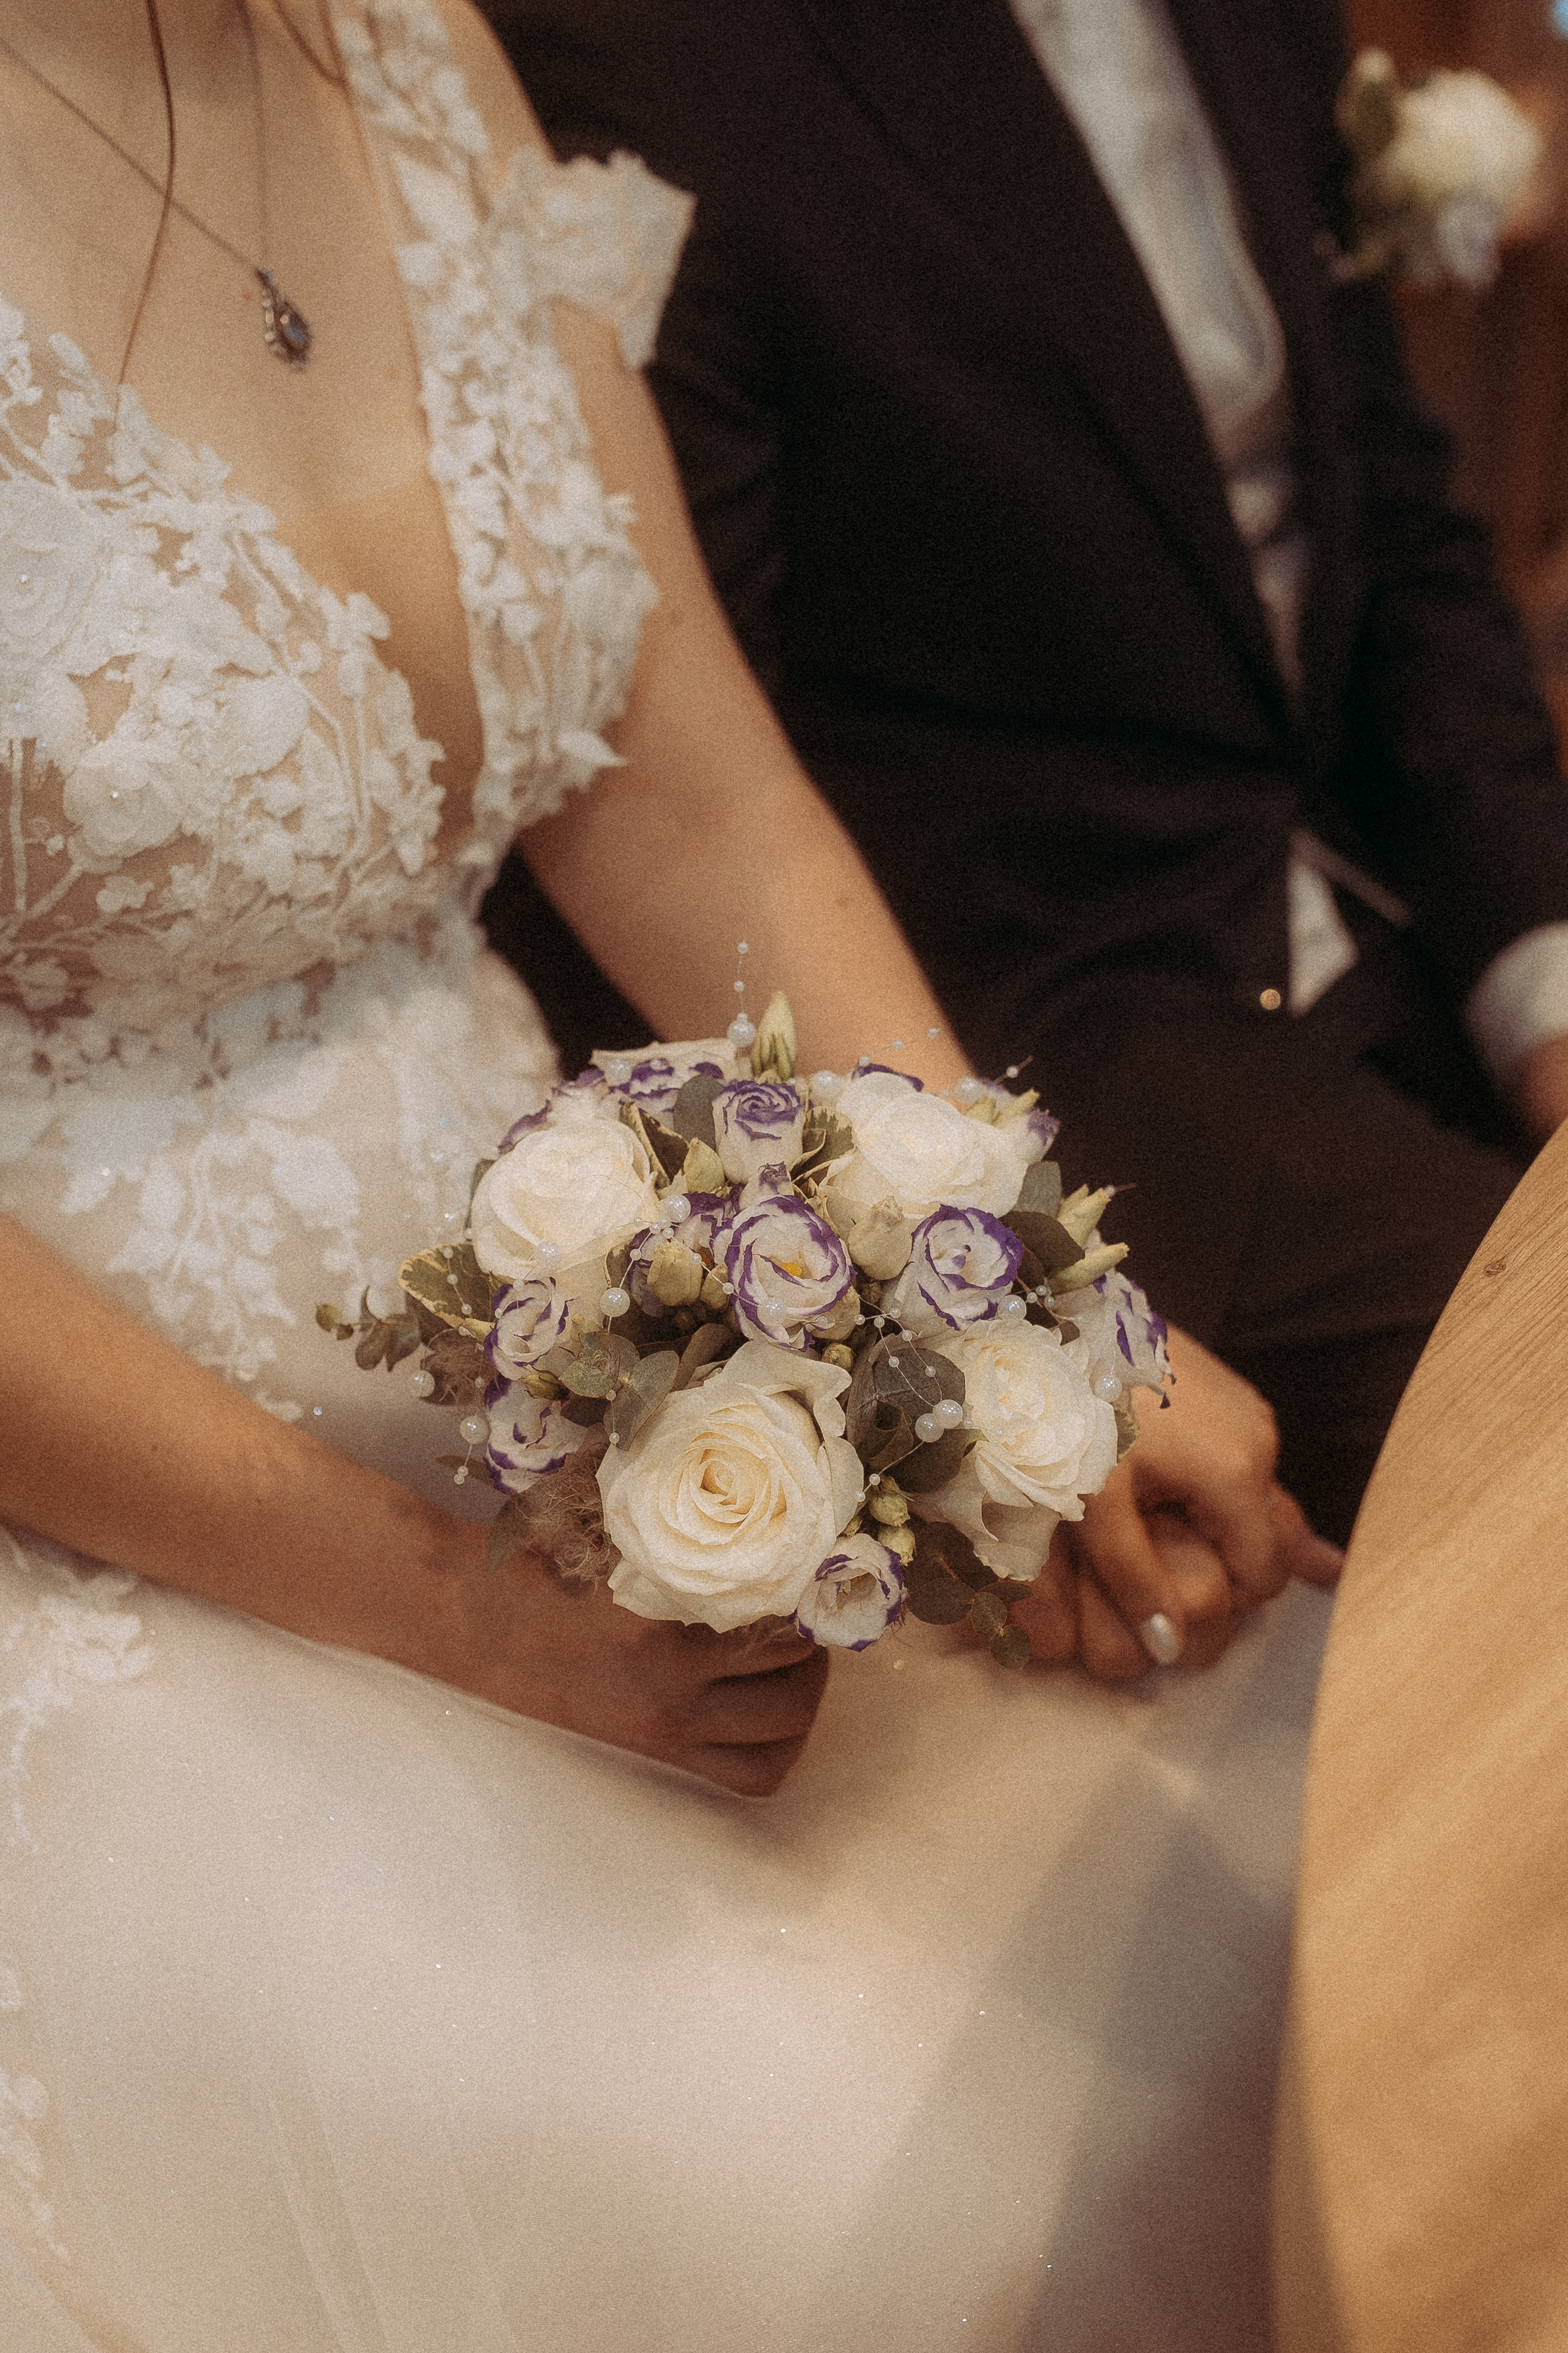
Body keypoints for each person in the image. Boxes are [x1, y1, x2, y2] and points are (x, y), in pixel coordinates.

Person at [0, 2, 1331, 2342]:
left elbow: (682, 788)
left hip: (588, 1367)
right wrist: (460, 1614)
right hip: (132, 1523)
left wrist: (1012, 1302)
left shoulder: (408, 53)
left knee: (1272, 1904)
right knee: (847, 2185)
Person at [486, 0, 1568, 1560]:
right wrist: (980, 1292)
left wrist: (1541, 986)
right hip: (1046, 1036)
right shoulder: (641, 51)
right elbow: (671, 780)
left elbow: (1392, 526)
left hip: (1370, 904)